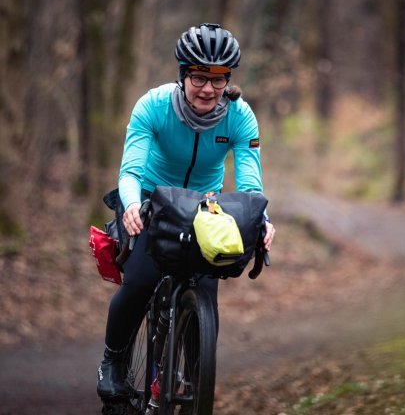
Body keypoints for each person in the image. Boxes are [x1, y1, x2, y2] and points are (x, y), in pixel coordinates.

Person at [97, 23, 276, 400]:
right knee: (142, 281)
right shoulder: (154, 106)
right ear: (183, 76)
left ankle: (195, 380)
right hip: (148, 200)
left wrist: (262, 221)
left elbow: (250, 186)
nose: (208, 88)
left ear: (228, 80)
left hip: (202, 206)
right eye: (198, 77)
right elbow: (130, 170)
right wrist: (130, 205)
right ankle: (112, 362)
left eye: (218, 79)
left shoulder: (240, 117)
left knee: (205, 291)